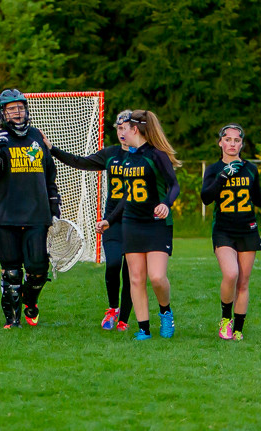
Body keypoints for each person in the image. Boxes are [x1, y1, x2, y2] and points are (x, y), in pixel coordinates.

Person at [0, 88, 61, 328]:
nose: (17, 113)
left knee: (38, 269)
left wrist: (54, 204)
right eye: (12, 109)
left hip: (36, 214)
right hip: (4, 215)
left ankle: (30, 301)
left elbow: (49, 174)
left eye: (20, 108)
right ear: (3, 113)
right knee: (11, 271)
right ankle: (12, 321)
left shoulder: (37, 137)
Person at [43, 110, 134, 331]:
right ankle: (113, 309)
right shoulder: (111, 154)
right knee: (113, 263)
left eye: (127, 128)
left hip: (134, 219)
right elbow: (80, 162)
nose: (122, 133)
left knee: (131, 272)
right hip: (112, 219)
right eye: (119, 128)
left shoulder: (144, 155)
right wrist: (52, 149)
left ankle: (124, 319)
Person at [96, 110, 180, 340]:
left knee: (157, 277)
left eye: (126, 128)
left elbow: (174, 185)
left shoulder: (157, 155)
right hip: (131, 223)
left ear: (135, 129)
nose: (122, 133)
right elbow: (127, 196)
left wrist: (166, 204)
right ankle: (144, 328)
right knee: (136, 278)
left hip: (156, 224)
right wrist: (110, 220)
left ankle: (165, 311)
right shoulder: (127, 158)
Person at [200, 123, 261, 341]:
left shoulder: (250, 169)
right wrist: (223, 176)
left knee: (243, 282)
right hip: (224, 230)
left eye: (237, 140)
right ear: (220, 142)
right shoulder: (213, 170)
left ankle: (238, 329)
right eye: (228, 139)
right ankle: (225, 319)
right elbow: (206, 198)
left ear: (242, 144)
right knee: (231, 274)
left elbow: (258, 199)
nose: (232, 144)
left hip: (248, 229)